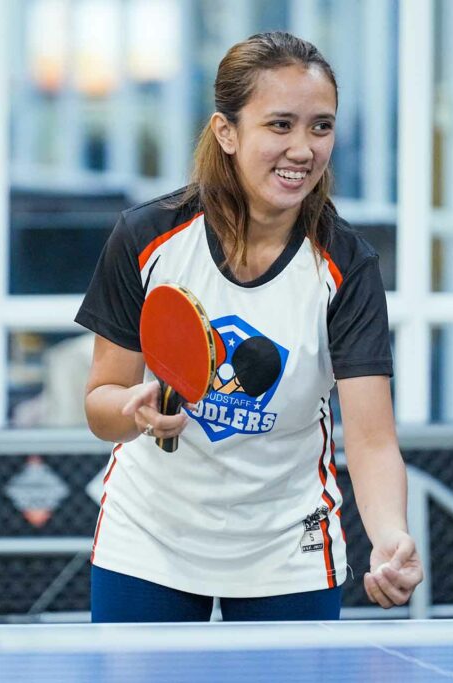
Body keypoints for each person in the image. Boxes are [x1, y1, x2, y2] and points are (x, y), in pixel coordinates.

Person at [75, 31, 423, 622]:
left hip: (288, 547)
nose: (304, 148)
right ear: (227, 132)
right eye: (280, 125)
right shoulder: (145, 238)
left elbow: (370, 439)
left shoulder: (347, 266)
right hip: (149, 540)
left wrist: (390, 537)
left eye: (321, 127)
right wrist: (132, 409)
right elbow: (98, 404)